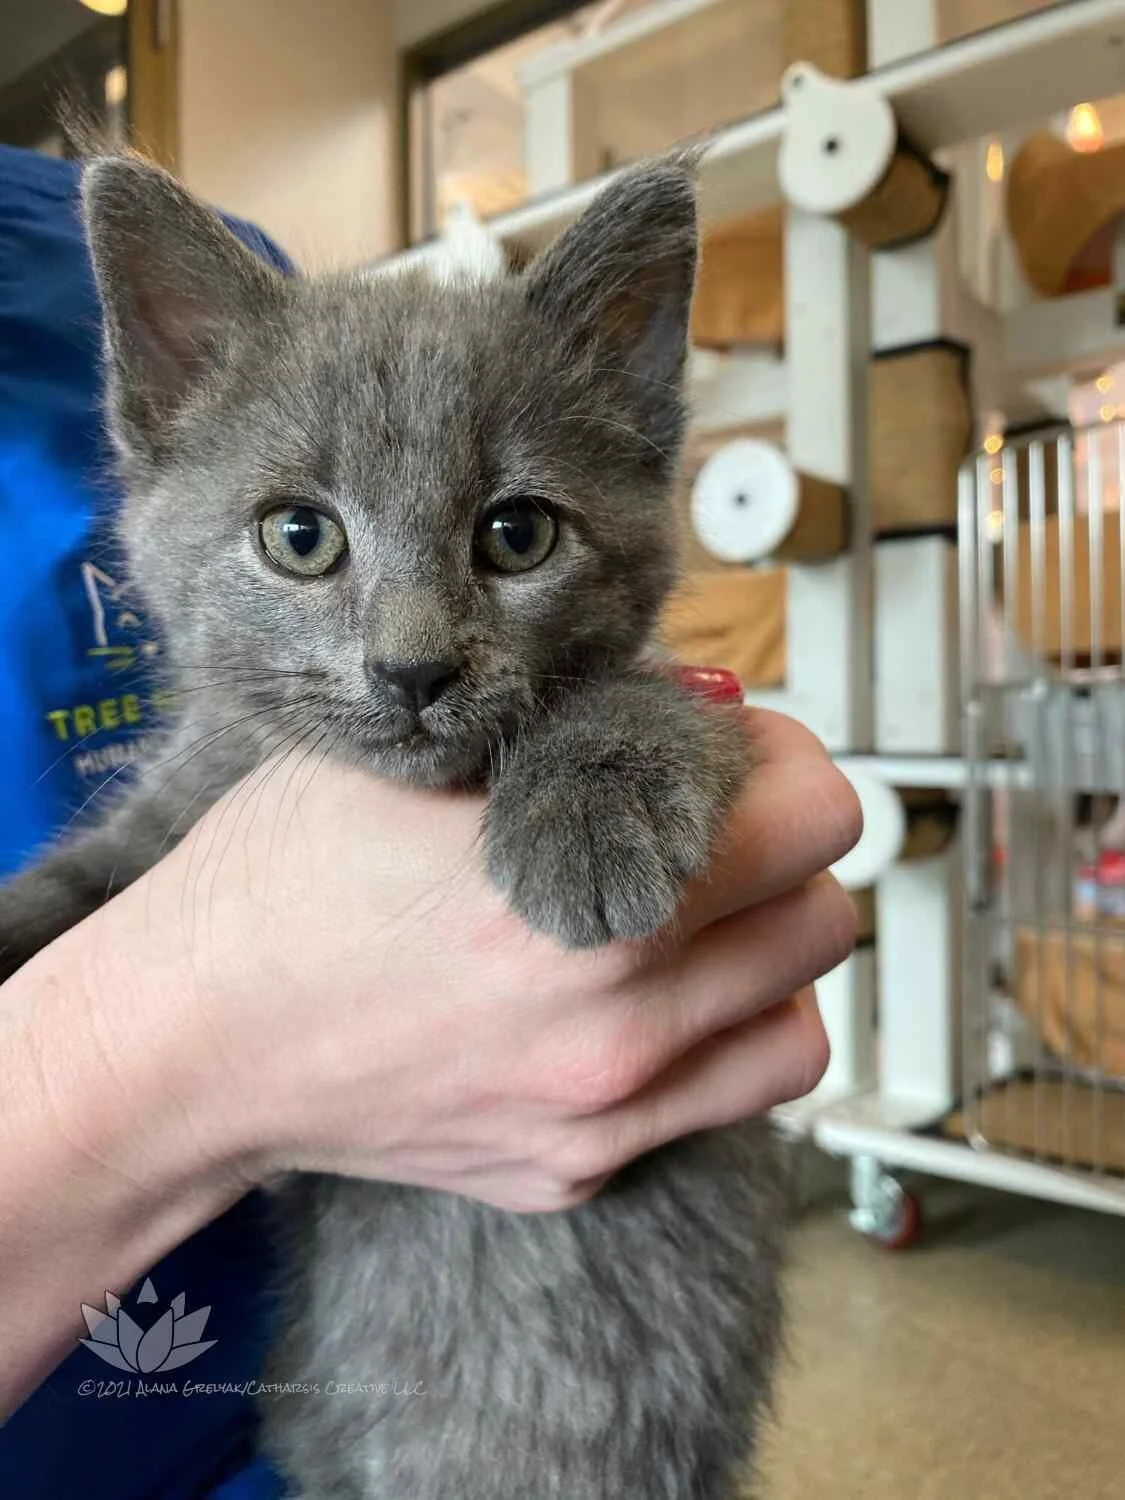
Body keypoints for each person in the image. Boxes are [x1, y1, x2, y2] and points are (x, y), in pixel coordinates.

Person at [0, 141, 860, 1499]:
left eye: (515, 537)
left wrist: (621, 746)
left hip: (566, 1419)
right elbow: (107, 887)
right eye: (303, 538)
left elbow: (656, 727)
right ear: (160, 425)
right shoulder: (230, 741)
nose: (410, 649)